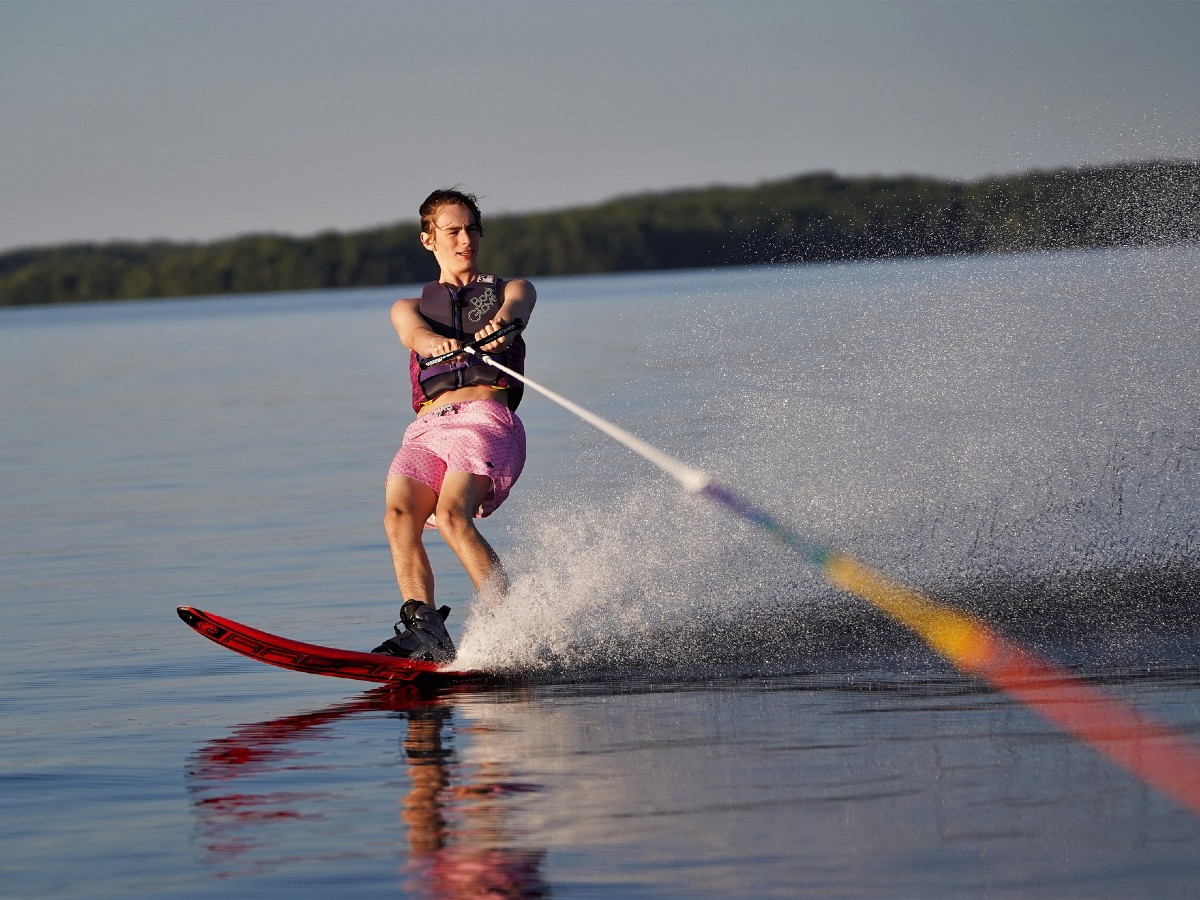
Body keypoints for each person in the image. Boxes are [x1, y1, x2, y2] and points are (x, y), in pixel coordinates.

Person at [373, 189, 535, 662]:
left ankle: (515, 629)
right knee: (399, 517)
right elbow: (414, 335)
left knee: (450, 517)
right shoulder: (409, 307)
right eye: (453, 231)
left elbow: (517, 309)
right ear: (429, 240)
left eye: (471, 229)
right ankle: (426, 633)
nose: (465, 239)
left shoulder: (513, 290)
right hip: (428, 429)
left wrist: (501, 324)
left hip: (486, 419)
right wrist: (435, 345)